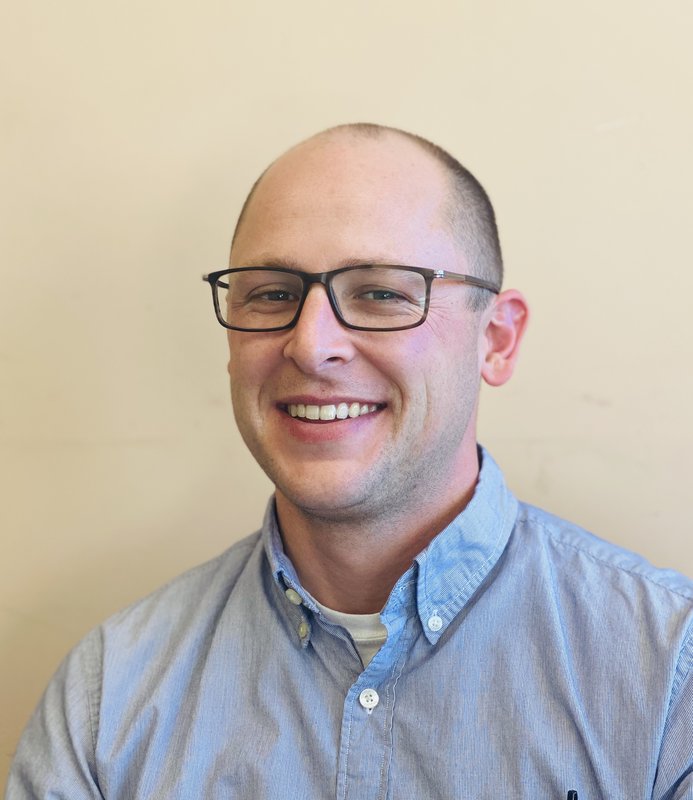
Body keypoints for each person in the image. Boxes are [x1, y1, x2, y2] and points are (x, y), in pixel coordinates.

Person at [6, 124, 692, 799]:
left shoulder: (667, 676)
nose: (311, 346)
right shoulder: (108, 697)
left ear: (497, 339)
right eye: (271, 293)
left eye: (381, 292)